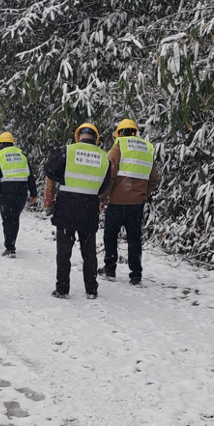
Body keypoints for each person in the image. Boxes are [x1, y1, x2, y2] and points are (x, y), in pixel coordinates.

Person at [43, 122, 111, 300]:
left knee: (64, 251)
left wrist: (63, 179)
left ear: (78, 136)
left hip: (67, 206)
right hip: (89, 208)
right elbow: (105, 184)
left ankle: (62, 289)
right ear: (96, 138)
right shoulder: (104, 157)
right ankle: (91, 289)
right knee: (89, 252)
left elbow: (49, 169)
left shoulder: (66, 151)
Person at [99, 119, 159, 285]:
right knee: (134, 239)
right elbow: (154, 179)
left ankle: (110, 268)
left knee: (110, 235)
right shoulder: (147, 148)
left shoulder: (119, 147)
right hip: (137, 204)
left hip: (117, 202)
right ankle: (136, 274)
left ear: (119, 133)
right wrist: (143, 194)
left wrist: (102, 197)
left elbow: (110, 176)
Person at [0, 132, 38, 258]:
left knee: (7, 220)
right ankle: (12, 243)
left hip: (6, 193)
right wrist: (33, 193)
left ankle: (10, 247)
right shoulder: (22, 155)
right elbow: (30, 176)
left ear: (0, 144)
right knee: (15, 219)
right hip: (21, 193)